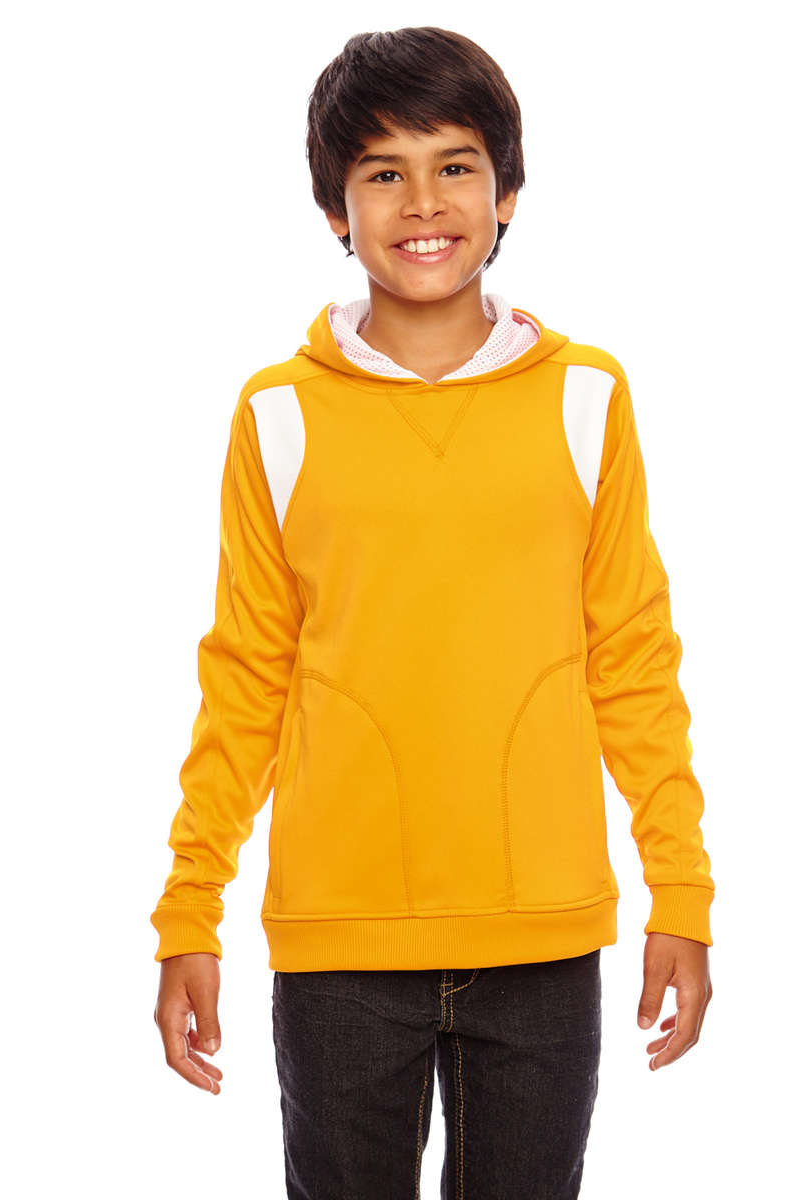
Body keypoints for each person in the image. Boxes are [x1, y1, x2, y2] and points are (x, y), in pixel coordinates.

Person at [151, 25, 715, 1199]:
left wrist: (683, 892)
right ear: (334, 208)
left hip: (544, 937)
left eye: (455, 165)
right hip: (338, 949)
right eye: (383, 172)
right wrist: (189, 910)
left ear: (507, 192)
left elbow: (633, 659)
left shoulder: (587, 397)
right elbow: (246, 675)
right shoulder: (276, 416)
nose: (423, 202)